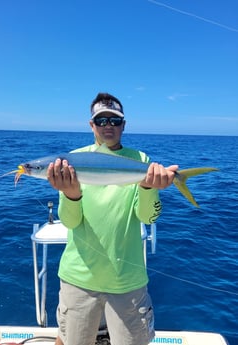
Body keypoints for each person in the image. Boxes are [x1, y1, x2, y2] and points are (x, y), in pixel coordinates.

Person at [47, 92, 178, 345]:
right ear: (91, 125)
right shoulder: (70, 162)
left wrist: (150, 188)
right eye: (101, 121)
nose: (108, 126)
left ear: (123, 125)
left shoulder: (141, 161)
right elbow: (71, 223)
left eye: (114, 121)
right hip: (79, 279)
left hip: (127, 281)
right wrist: (71, 195)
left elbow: (148, 217)